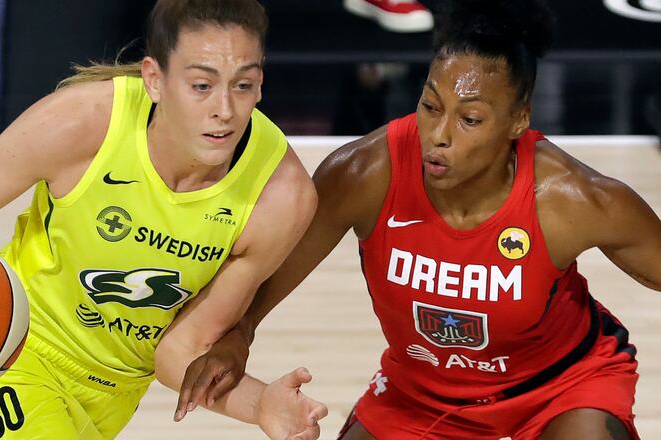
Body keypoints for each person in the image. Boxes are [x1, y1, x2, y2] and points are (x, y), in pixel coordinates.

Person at [175, 0, 661, 438]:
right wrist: (238, 335)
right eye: (431, 106)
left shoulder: (573, 199)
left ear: (518, 121)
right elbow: (272, 268)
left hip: (559, 386)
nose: (439, 135)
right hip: (421, 392)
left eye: (469, 119)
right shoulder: (364, 173)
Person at [0, 0, 328, 438]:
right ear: (154, 79)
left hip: (115, 395)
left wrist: (261, 403)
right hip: (7, 350)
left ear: (260, 84)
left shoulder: (280, 197)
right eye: (202, 86)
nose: (224, 110)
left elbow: (179, 354)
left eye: (242, 85)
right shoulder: (79, 124)